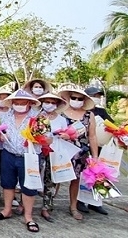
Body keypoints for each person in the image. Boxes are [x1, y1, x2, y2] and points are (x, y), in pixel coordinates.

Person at [0, 89, 45, 234]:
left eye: (23, 103)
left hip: (30, 156)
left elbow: (48, 138)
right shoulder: (4, 116)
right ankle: (7, 210)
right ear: (12, 103)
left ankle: (28, 216)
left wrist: (38, 138)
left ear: (30, 103)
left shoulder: (39, 117)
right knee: (7, 183)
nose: (19, 105)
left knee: (29, 186)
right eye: (16, 102)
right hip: (9, 153)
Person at [58, 88, 99, 220]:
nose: (76, 101)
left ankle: (73, 207)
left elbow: (92, 136)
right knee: (55, 178)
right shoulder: (61, 112)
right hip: (61, 150)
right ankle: (48, 204)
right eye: (73, 98)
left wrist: (95, 157)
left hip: (80, 152)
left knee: (75, 180)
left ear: (84, 101)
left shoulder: (89, 115)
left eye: (79, 99)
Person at [36, 93, 69, 222]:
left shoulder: (61, 119)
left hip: (54, 152)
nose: (49, 104)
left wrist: (65, 135)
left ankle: (46, 207)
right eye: (47, 101)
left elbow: (66, 134)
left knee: (50, 181)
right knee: (31, 176)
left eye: (52, 102)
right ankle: (24, 203)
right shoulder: (36, 116)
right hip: (37, 150)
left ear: (57, 105)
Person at [83, 86, 112, 215]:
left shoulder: (102, 111)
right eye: (95, 96)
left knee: (99, 175)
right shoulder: (82, 111)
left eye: (99, 96)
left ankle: (96, 202)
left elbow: (111, 125)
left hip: (99, 148)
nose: (97, 98)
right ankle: (80, 201)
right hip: (83, 148)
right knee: (83, 177)